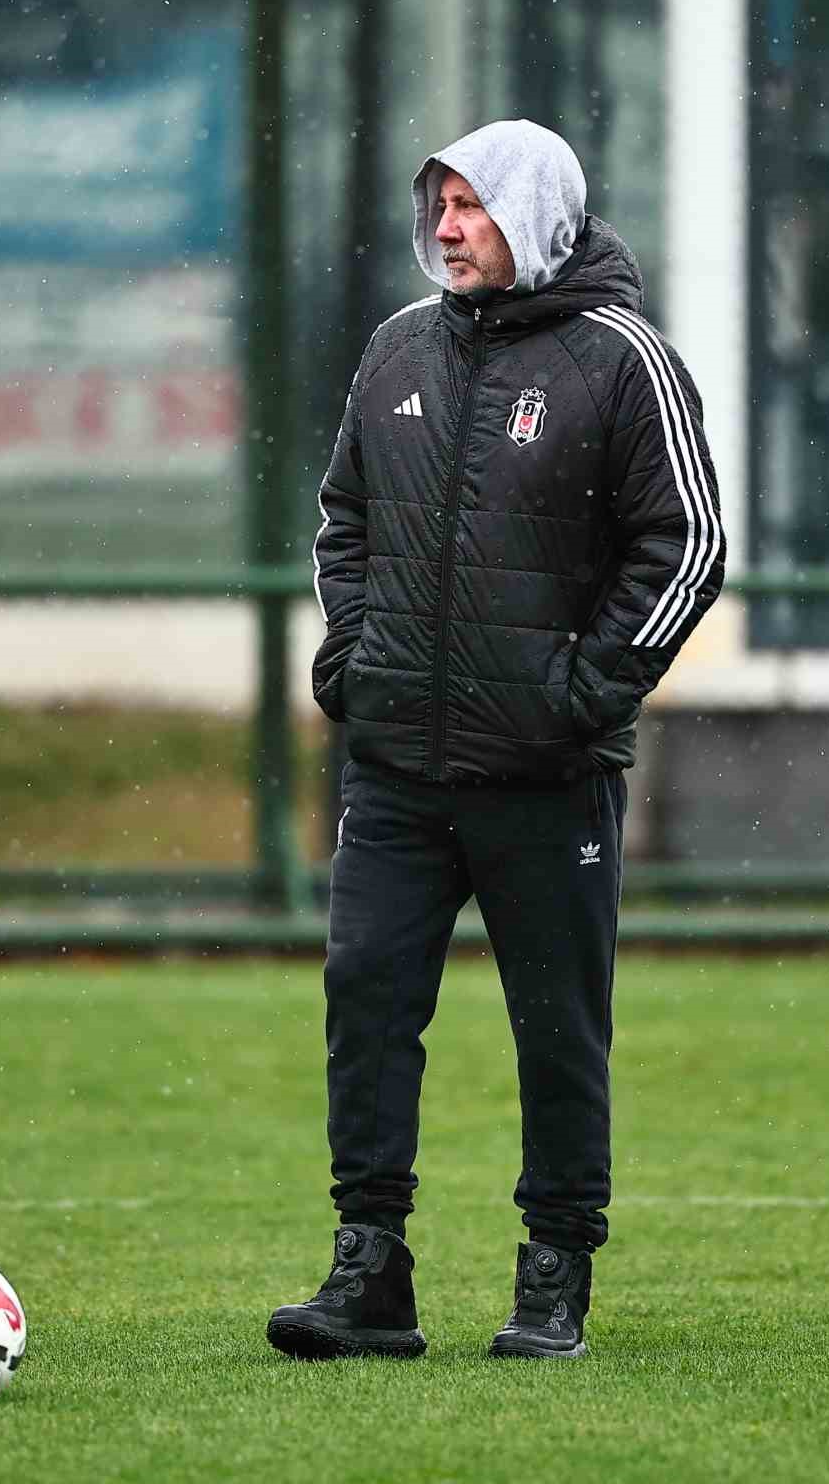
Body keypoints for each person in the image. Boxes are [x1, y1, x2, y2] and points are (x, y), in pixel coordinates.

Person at [266, 119, 725, 1362]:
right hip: (396, 770)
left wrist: (577, 696)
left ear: (535, 215)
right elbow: (343, 521)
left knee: (557, 1028)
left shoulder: (624, 360)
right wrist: (354, 661)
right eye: (440, 203)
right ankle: (370, 1272)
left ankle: (553, 1275)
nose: (448, 226)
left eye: (472, 204)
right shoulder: (395, 349)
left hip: (546, 776)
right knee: (366, 1000)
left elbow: (686, 543)